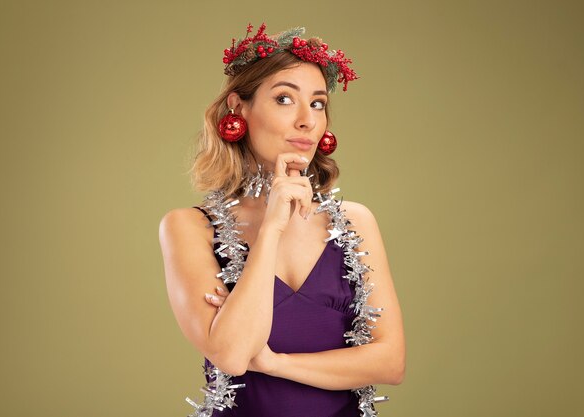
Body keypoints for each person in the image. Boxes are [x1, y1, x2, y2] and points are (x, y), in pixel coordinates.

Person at [158, 23, 405, 417]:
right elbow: (234, 356)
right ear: (239, 108)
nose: (307, 120)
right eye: (285, 99)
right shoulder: (188, 227)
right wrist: (271, 228)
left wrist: (276, 363)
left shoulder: (355, 221)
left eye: (318, 103)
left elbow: (390, 362)